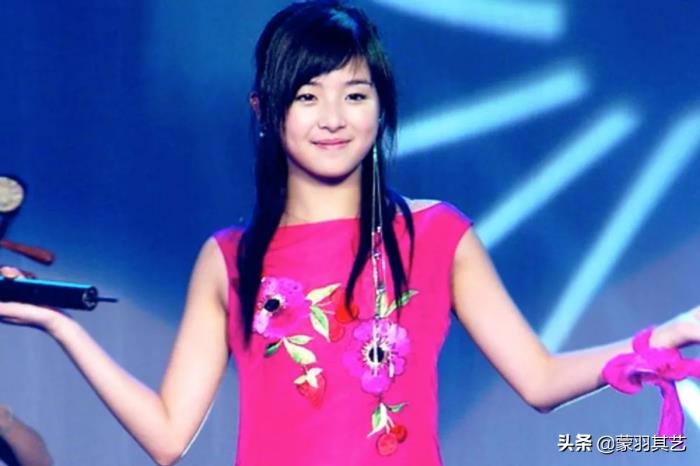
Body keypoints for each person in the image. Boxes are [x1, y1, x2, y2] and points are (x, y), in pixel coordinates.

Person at [1, 1, 699, 465]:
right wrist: (62, 326)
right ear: (264, 111)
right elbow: (167, 437)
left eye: (355, 94)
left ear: (381, 107)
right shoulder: (229, 258)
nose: (333, 117)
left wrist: (660, 339)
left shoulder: (437, 235)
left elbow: (540, 379)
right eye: (307, 96)